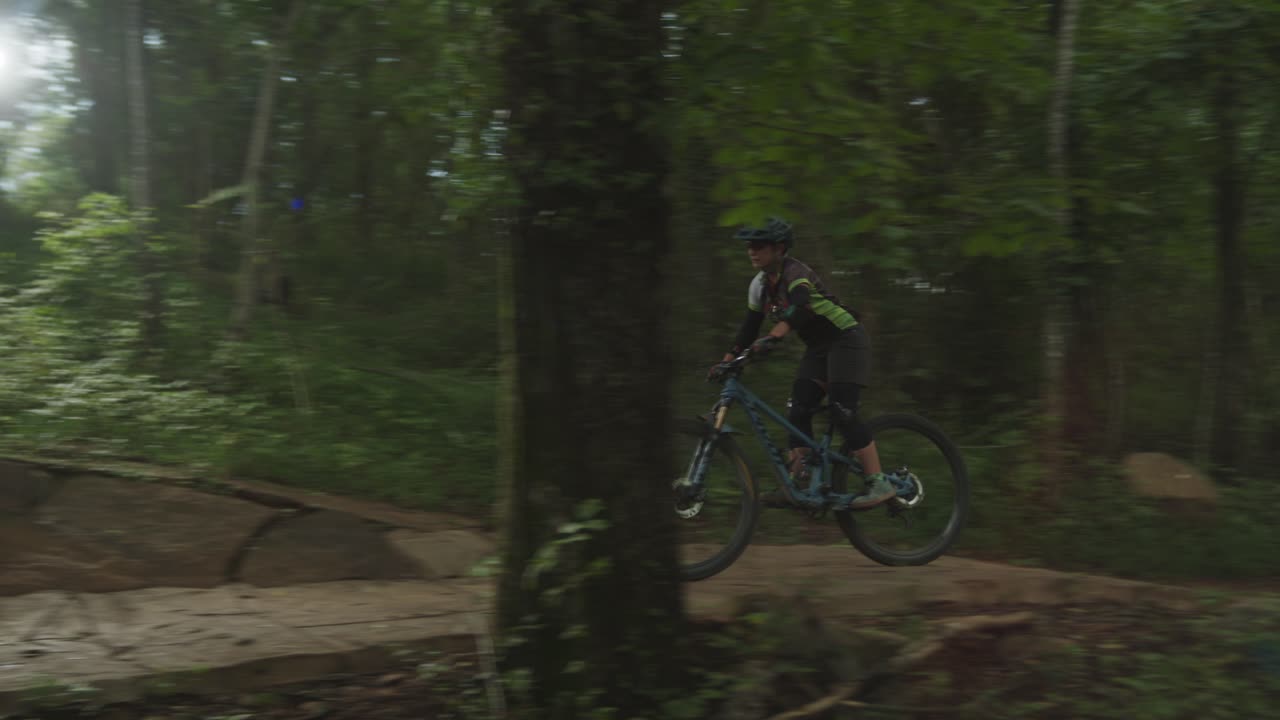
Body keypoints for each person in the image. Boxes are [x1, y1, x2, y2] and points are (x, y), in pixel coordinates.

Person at [710, 217, 895, 510]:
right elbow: (749, 327)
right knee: (798, 410)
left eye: (759, 245)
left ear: (780, 248)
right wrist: (727, 360)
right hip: (818, 348)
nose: (752, 251)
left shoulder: (796, 273)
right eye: (749, 246)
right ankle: (798, 483)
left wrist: (773, 337)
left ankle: (879, 482)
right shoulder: (759, 285)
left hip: (846, 338)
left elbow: (800, 308)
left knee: (842, 411)